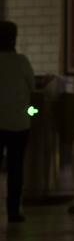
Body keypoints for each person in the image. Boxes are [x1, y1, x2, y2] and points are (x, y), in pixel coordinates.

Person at [0, 22, 35, 223]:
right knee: (15, 168)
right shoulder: (21, 61)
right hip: (19, 123)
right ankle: (13, 212)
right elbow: (32, 85)